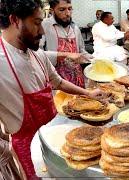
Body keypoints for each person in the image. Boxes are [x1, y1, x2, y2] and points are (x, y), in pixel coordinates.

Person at [0, 0, 105, 179]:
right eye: (37, 23)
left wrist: (88, 93)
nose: (42, 31)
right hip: (27, 152)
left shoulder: (37, 54)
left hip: (54, 136)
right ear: (15, 20)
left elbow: (58, 82)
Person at [40, 0, 93, 88]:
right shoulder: (44, 25)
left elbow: (81, 50)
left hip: (77, 79)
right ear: (52, 11)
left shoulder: (75, 28)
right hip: (57, 80)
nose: (68, 13)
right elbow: (37, 54)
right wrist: (66, 55)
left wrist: (92, 58)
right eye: (62, 10)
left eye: (70, 9)